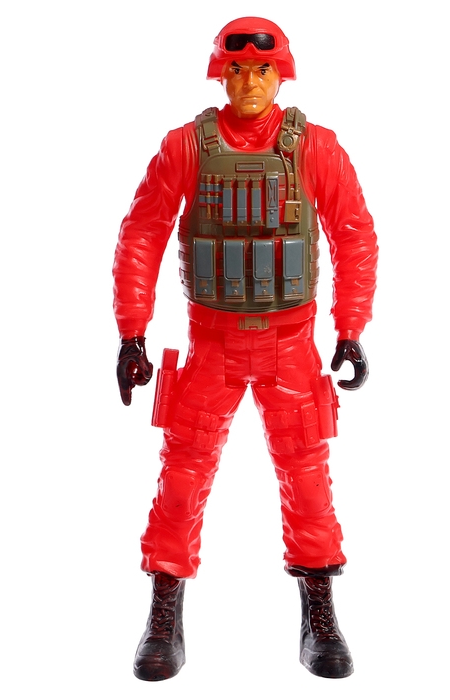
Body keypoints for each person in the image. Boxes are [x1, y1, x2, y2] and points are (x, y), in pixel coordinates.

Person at [113, 17, 378, 681]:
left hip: (292, 346)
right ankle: (164, 613)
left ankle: (319, 611)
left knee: (308, 480)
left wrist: (350, 327)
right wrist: (132, 331)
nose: (250, 82)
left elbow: (353, 233)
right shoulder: (186, 147)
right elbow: (143, 232)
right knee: (182, 478)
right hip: (211, 345)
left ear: (280, 74)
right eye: (237, 70)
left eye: (262, 69)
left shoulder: (314, 147)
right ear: (221, 74)